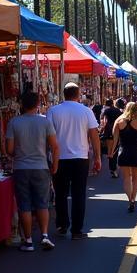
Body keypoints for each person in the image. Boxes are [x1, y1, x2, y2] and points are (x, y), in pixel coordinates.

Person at [6, 91, 59, 252]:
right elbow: (55, 146)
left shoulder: (14, 122)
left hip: (21, 168)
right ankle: (44, 235)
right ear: (37, 104)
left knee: (25, 205)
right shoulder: (45, 122)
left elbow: (9, 149)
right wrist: (55, 165)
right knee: (43, 203)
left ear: (22, 104)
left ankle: (28, 240)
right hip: (41, 167)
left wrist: (19, 153)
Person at [47, 83, 101, 238]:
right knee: (79, 194)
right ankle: (77, 229)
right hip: (80, 158)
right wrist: (97, 157)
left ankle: (62, 225)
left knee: (60, 193)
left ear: (64, 94)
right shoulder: (86, 111)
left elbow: (48, 135)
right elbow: (94, 135)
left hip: (60, 158)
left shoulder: (53, 111)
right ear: (78, 95)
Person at [111, 101, 137, 213]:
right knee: (136, 178)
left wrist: (111, 152)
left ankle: (130, 200)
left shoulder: (118, 121)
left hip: (124, 152)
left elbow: (115, 140)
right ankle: (134, 198)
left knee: (127, 178)